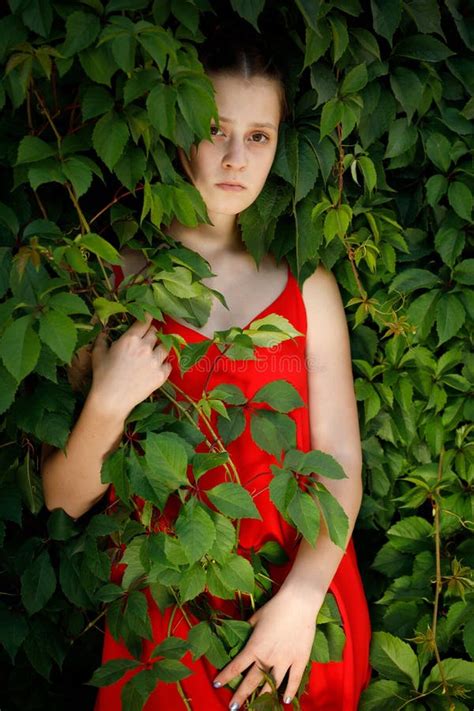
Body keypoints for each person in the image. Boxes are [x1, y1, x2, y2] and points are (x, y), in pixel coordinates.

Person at [41, 20, 372, 711]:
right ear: (177, 125)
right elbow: (62, 499)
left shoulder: (307, 286)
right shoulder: (117, 282)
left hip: (295, 606)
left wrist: (304, 597)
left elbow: (339, 455)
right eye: (215, 128)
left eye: (258, 137)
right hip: (163, 617)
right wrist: (108, 402)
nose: (234, 157)